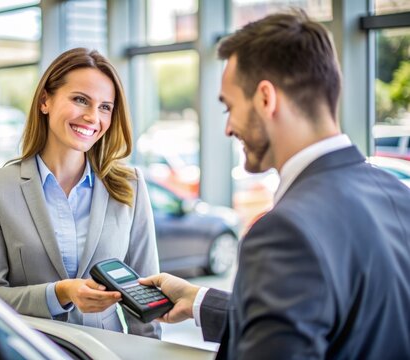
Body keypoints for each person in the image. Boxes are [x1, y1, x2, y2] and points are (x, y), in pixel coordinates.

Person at [140, 10, 410, 358]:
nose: (228, 128)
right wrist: (200, 301)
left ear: (266, 98)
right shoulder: (397, 194)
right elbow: (342, 325)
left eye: (229, 107)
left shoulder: (285, 231)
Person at [0, 48, 160, 338]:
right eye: (80, 100)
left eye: (105, 107)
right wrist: (58, 293)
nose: (92, 117)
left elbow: (145, 303)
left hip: (105, 353)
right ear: (45, 100)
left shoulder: (129, 185)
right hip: (28, 351)